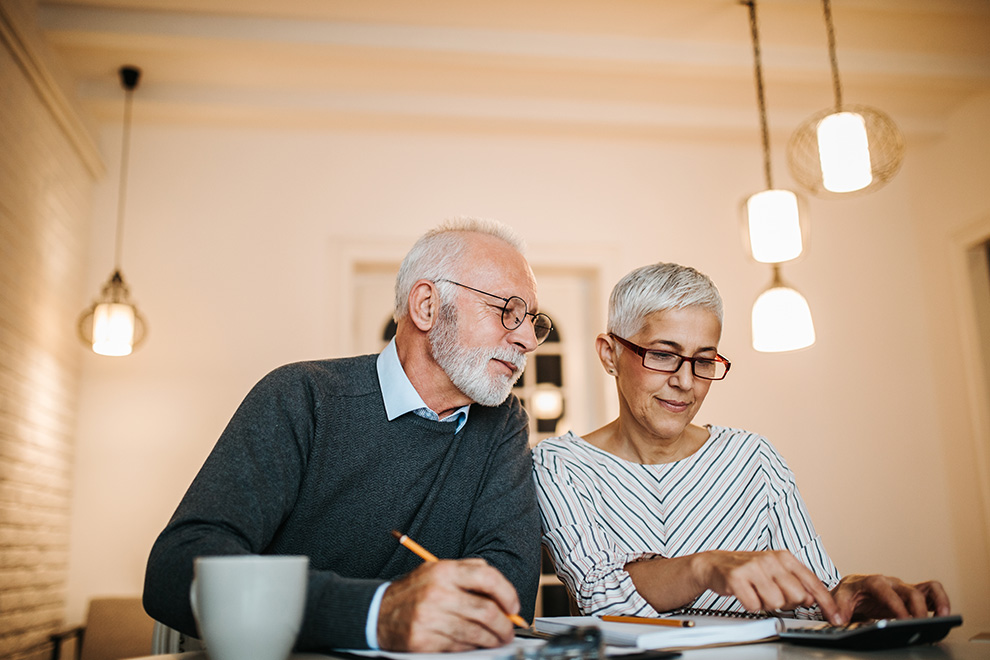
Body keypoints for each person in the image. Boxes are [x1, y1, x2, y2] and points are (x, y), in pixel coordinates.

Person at [144, 218, 553, 653]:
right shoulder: (303, 396)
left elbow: (505, 598)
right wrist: (376, 614)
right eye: (507, 310)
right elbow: (176, 569)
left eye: (531, 320)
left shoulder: (502, 422)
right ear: (427, 306)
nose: (527, 338)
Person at [533, 262, 950, 626]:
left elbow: (812, 602)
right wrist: (705, 567)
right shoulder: (559, 466)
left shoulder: (755, 459)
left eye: (704, 360)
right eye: (663, 354)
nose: (685, 380)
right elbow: (602, 599)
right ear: (609, 355)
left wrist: (853, 595)